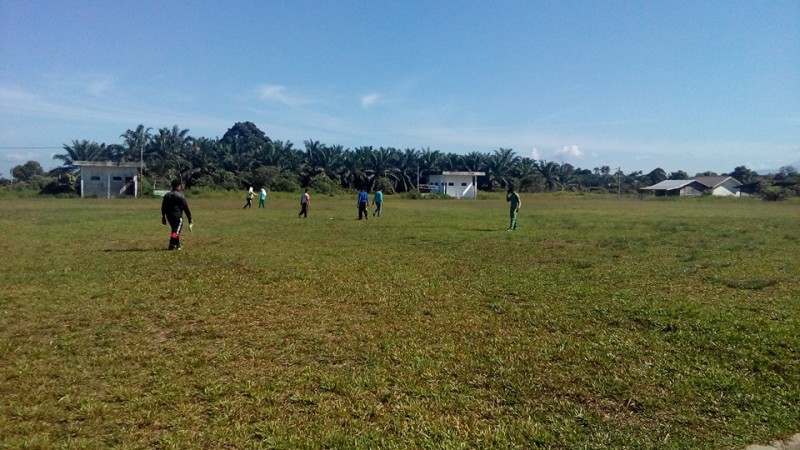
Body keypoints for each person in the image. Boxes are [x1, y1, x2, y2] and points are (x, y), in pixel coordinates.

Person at [161, 179, 193, 250]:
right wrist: (189, 218)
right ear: (179, 186)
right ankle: (172, 244)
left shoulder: (167, 195)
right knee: (176, 231)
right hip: (177, 216)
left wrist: (163, 217)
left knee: (175, 229)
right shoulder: (180, 195)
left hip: (169, 216)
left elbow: (163, 207)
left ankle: (177, 244)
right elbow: (186, 208)